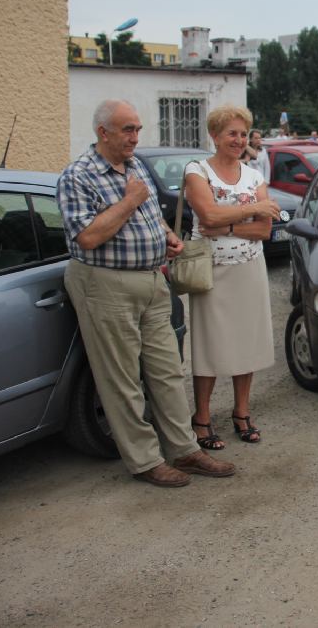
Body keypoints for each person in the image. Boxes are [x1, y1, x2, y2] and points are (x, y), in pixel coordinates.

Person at [57, 99, 236, 487]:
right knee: (122, 378)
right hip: (106, 284)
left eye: (137, 129)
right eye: (127, 129)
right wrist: (129, 201)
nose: (135, 137)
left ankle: (184, 449)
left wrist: (167, 237)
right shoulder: (78, 175)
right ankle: (145, 460)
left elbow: (151, 216)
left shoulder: (135, 166)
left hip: (153, 280)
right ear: (103, 132)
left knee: (168, 371)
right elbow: (86, 237)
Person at [182, 105, 281, 450]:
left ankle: (242, 412)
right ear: (215, 135)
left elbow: (264, 230)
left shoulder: (254, 176)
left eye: (243, 134)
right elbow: (207, 215)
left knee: (246, 342)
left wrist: (227, 226)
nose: (239, 140)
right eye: (231, 134)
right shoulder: (197, 170)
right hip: (211, 271)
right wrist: (253, 208)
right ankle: (202, 418)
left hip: (249, 269)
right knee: (208, 345)